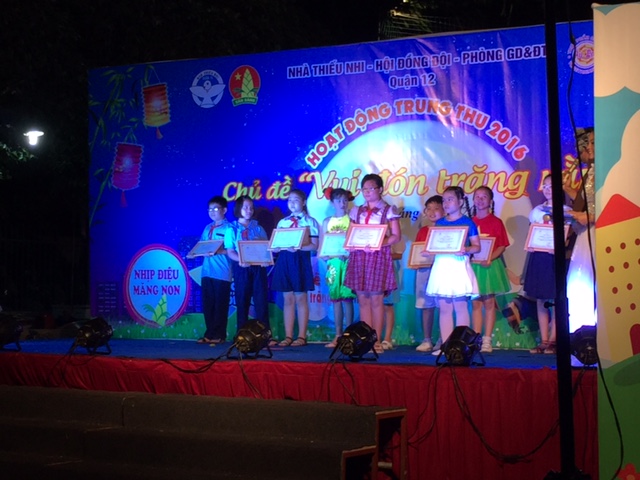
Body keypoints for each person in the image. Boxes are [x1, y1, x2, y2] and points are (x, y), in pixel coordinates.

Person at [344, 173, 401, 354]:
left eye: (371, 188)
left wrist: (379, 244)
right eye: (364, 189)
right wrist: (352, 244)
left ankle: (376, 340)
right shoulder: (356, 210)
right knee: (363, 299)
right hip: (359, 256)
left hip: (378, 256)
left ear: (380, 189)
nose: (367, 192)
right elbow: (350, 234)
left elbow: (396, 236)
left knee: (376, 299)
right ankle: (365, 340)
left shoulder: (389, 210)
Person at [425, 186, 480, 354]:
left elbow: (477, 247)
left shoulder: (468, 223)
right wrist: (428, 250)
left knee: (460, 307)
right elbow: (435, 244)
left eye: (450, 199)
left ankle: (461, 346)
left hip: (458, 266)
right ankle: (446, 346)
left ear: (461, 201)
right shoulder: (440, 223)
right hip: (442, 266)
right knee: (444, 308)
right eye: (444, 200)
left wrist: (466, 249)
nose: (446, 203)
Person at [524, 174, 569, 354]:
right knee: (541, 298)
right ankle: (543, 340)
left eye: (552, 185)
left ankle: (554, 340)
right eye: (545, 185)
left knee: (556, 297)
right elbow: (532, 233)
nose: (548, 189)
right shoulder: (536, 211)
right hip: (539, 257)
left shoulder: (566, 211)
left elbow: (567, 237)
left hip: (555, 258)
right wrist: (531, 244)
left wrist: (559, 246)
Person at [271, 188, 319, 346]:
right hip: (284, 261)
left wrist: (298, 247)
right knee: (288, 299)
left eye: (296, 200)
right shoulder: (283, 222)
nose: (292, 203)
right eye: (289, 200)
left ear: (303, 202)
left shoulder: (310, 222)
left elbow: (314, 246)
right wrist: (276, 247)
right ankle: (288, 336)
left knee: (301, 298)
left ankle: (302, 336)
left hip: (300, 261)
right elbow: (276, 245)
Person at [470, 186, 511, 353]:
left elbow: (502, 245)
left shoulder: (496, 222)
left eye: (484, 197)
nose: (480, 200)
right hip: (473, 266)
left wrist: (490, 258)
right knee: (475, 303)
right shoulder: (469, 222)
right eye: (477, 196)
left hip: (489, 266)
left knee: (488, 302)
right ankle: (476, 338)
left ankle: (487, 339)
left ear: (491, 201)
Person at [564, 127, 597, 331]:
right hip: (587, 233)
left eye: (592, 143)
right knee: (581, 282)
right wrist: (568, 188)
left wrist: (590, 217)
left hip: (602, 232)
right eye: (586, 144)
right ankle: (581, 336)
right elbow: (585, 202)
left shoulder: (609, 172)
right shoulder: (590, 172)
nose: (587, 148)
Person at [224, 195, 271, 336]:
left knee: (261, 301)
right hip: (241, 268)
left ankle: (265, 336)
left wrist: (265, 259)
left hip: (258, 269)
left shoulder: (258, 228)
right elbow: (230, 251)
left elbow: (266, 248)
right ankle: (242, 336)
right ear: (238, 208)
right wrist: (240, 260)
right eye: (245, 207)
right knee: (242, 301)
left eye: (251, 207)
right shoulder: (231, 229)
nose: (249, 210)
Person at [319, 188, 356, 348]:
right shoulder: (327, 221)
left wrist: (348, 254)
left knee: (347, 298)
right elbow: (323, 245)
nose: (342, 203)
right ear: (332, 202)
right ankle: (338, 335)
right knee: (336, 299)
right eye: (339, 200)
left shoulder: (352, 220)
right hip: (333, 263)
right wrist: (325, 255)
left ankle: (350, 334)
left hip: (348, 262)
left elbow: (355, 242)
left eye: (345, 200)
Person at [195, 196, 232, 344]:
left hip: (222, 272)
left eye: (216, 209)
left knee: (220, 305)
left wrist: (218, 250)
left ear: (224, 210)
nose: (212, 212)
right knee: (208, 304)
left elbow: (233, 250)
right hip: (207, 271)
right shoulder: (207, 228)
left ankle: (219, 335)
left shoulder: (229, 228)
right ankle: (209, 334)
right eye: (210, 209)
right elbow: (203, 245)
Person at [414, 195, 444, 352]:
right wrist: (415, 262)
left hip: (441, 271)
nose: (432, 212)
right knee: (426, 305)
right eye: (429, 209)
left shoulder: (447, 230)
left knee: (443, 306)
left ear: (444, 210)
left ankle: (443, 338)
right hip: (424, 271)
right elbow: (417, 252)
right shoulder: (423, 231)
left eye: (436, 208)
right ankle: (427, 339)